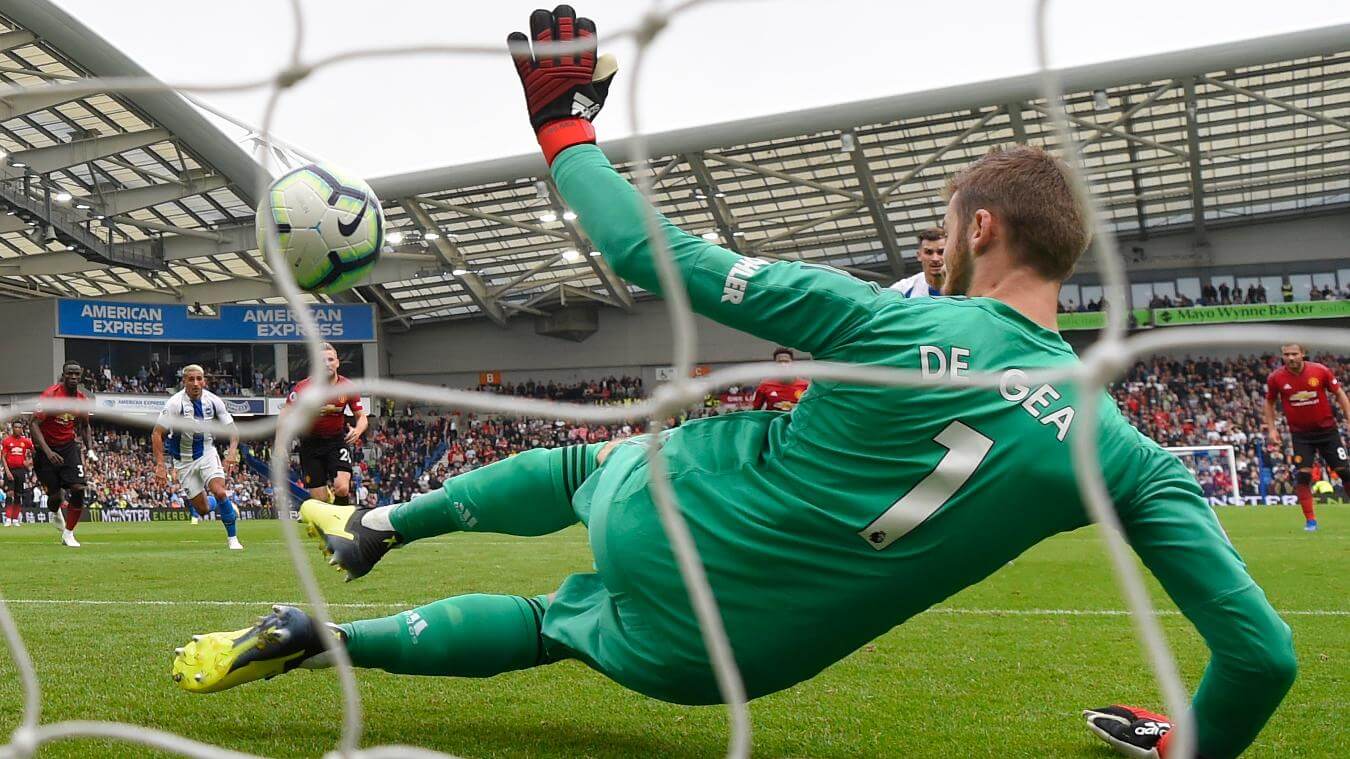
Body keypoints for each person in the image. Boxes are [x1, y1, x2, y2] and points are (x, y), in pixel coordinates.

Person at [172, 9, 1295, 759]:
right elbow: (1265, 656)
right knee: (554, 625)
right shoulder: (1128, 449)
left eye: (947, 232)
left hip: (671, 518)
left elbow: (647, 253)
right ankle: (326, 637)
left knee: (592, 462)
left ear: (982, 228)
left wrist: (562, 123)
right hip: (721, 663)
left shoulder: (884, 321)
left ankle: (381, 527)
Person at [152, 365, 243, 550]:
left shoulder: (214, 401)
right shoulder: (174, 404)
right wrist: (160, 465)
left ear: (204, 381)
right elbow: (156, 433)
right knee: (202, 509)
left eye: (199, 379)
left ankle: (233, 539)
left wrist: (232, 452)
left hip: (207, 452)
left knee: (219, 490)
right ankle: (221, 503)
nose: (195, 383)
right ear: (184, 381)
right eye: (191, 379)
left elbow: (233, 430)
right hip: (183, 461)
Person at [1263, 343, 1350, 531]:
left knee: (1344, 471)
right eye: (1287, 354)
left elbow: (1339, 394)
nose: (1291, 357)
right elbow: (1269, 402)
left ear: (1303, 354)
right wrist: (1271, 429)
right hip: (1301, 435)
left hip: (1328, 432)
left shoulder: (1320, 371)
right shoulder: (1276, 378)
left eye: (1294, 353)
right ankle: (1310, 521)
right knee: (1303, 475)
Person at [284, 343, 368, 506]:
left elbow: (361, 416)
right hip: (310, 445)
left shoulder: (347, 387)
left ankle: (340, 524)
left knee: (342, 488)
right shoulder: (303, 388)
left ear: (337, 362)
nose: (327, 363)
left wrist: (358, 430)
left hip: (336, 441)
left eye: (331, 359)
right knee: (320, 499)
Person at [31, 360, 93, 547]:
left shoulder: (81, 399)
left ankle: (69, 533)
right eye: (69, 374)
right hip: (45, 450)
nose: (73, 377)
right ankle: (55, 511)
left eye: (76, 374)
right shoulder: (51, 396)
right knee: (55, 497)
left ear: (80, 376)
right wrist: (48, 452)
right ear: (63, 375)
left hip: (68, 447)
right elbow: (33, 423)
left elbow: (85, 426)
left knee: (79, 489)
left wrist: (89, 448)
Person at [888, 227, 945, 297]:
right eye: (928, 252)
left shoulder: (962, 285)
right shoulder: (901, 290)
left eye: (941, 252)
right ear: (919, 256)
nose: (935, 259)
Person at [2, 421, 33, 527]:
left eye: (19, 427)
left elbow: (34, 450)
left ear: (22, 429)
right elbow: (3, 457)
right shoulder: (6, 441)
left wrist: (29, 462)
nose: (17, 429)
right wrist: (7, 471)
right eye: (15, 427)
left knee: (18, 495)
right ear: (12, 428)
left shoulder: (25, 441)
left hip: (21, 471)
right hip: (10, 470)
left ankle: (15, 519)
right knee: (9, 494)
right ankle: (8, 519)